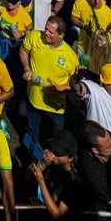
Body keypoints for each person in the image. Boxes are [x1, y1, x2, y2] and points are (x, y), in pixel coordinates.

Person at [20, 15, 77, 146]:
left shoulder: (71, 57)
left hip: (55, 106)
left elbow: (75, 85)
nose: (46, 33)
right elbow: (23, 50)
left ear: (61, 35)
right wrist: (26, 68)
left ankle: (52, 161)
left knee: (56, 138)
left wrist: (62, 88)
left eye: (51, 32)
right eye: (46, 29)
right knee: (31, 132)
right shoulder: (34, 36)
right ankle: (31, 157)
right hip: (33, 99)